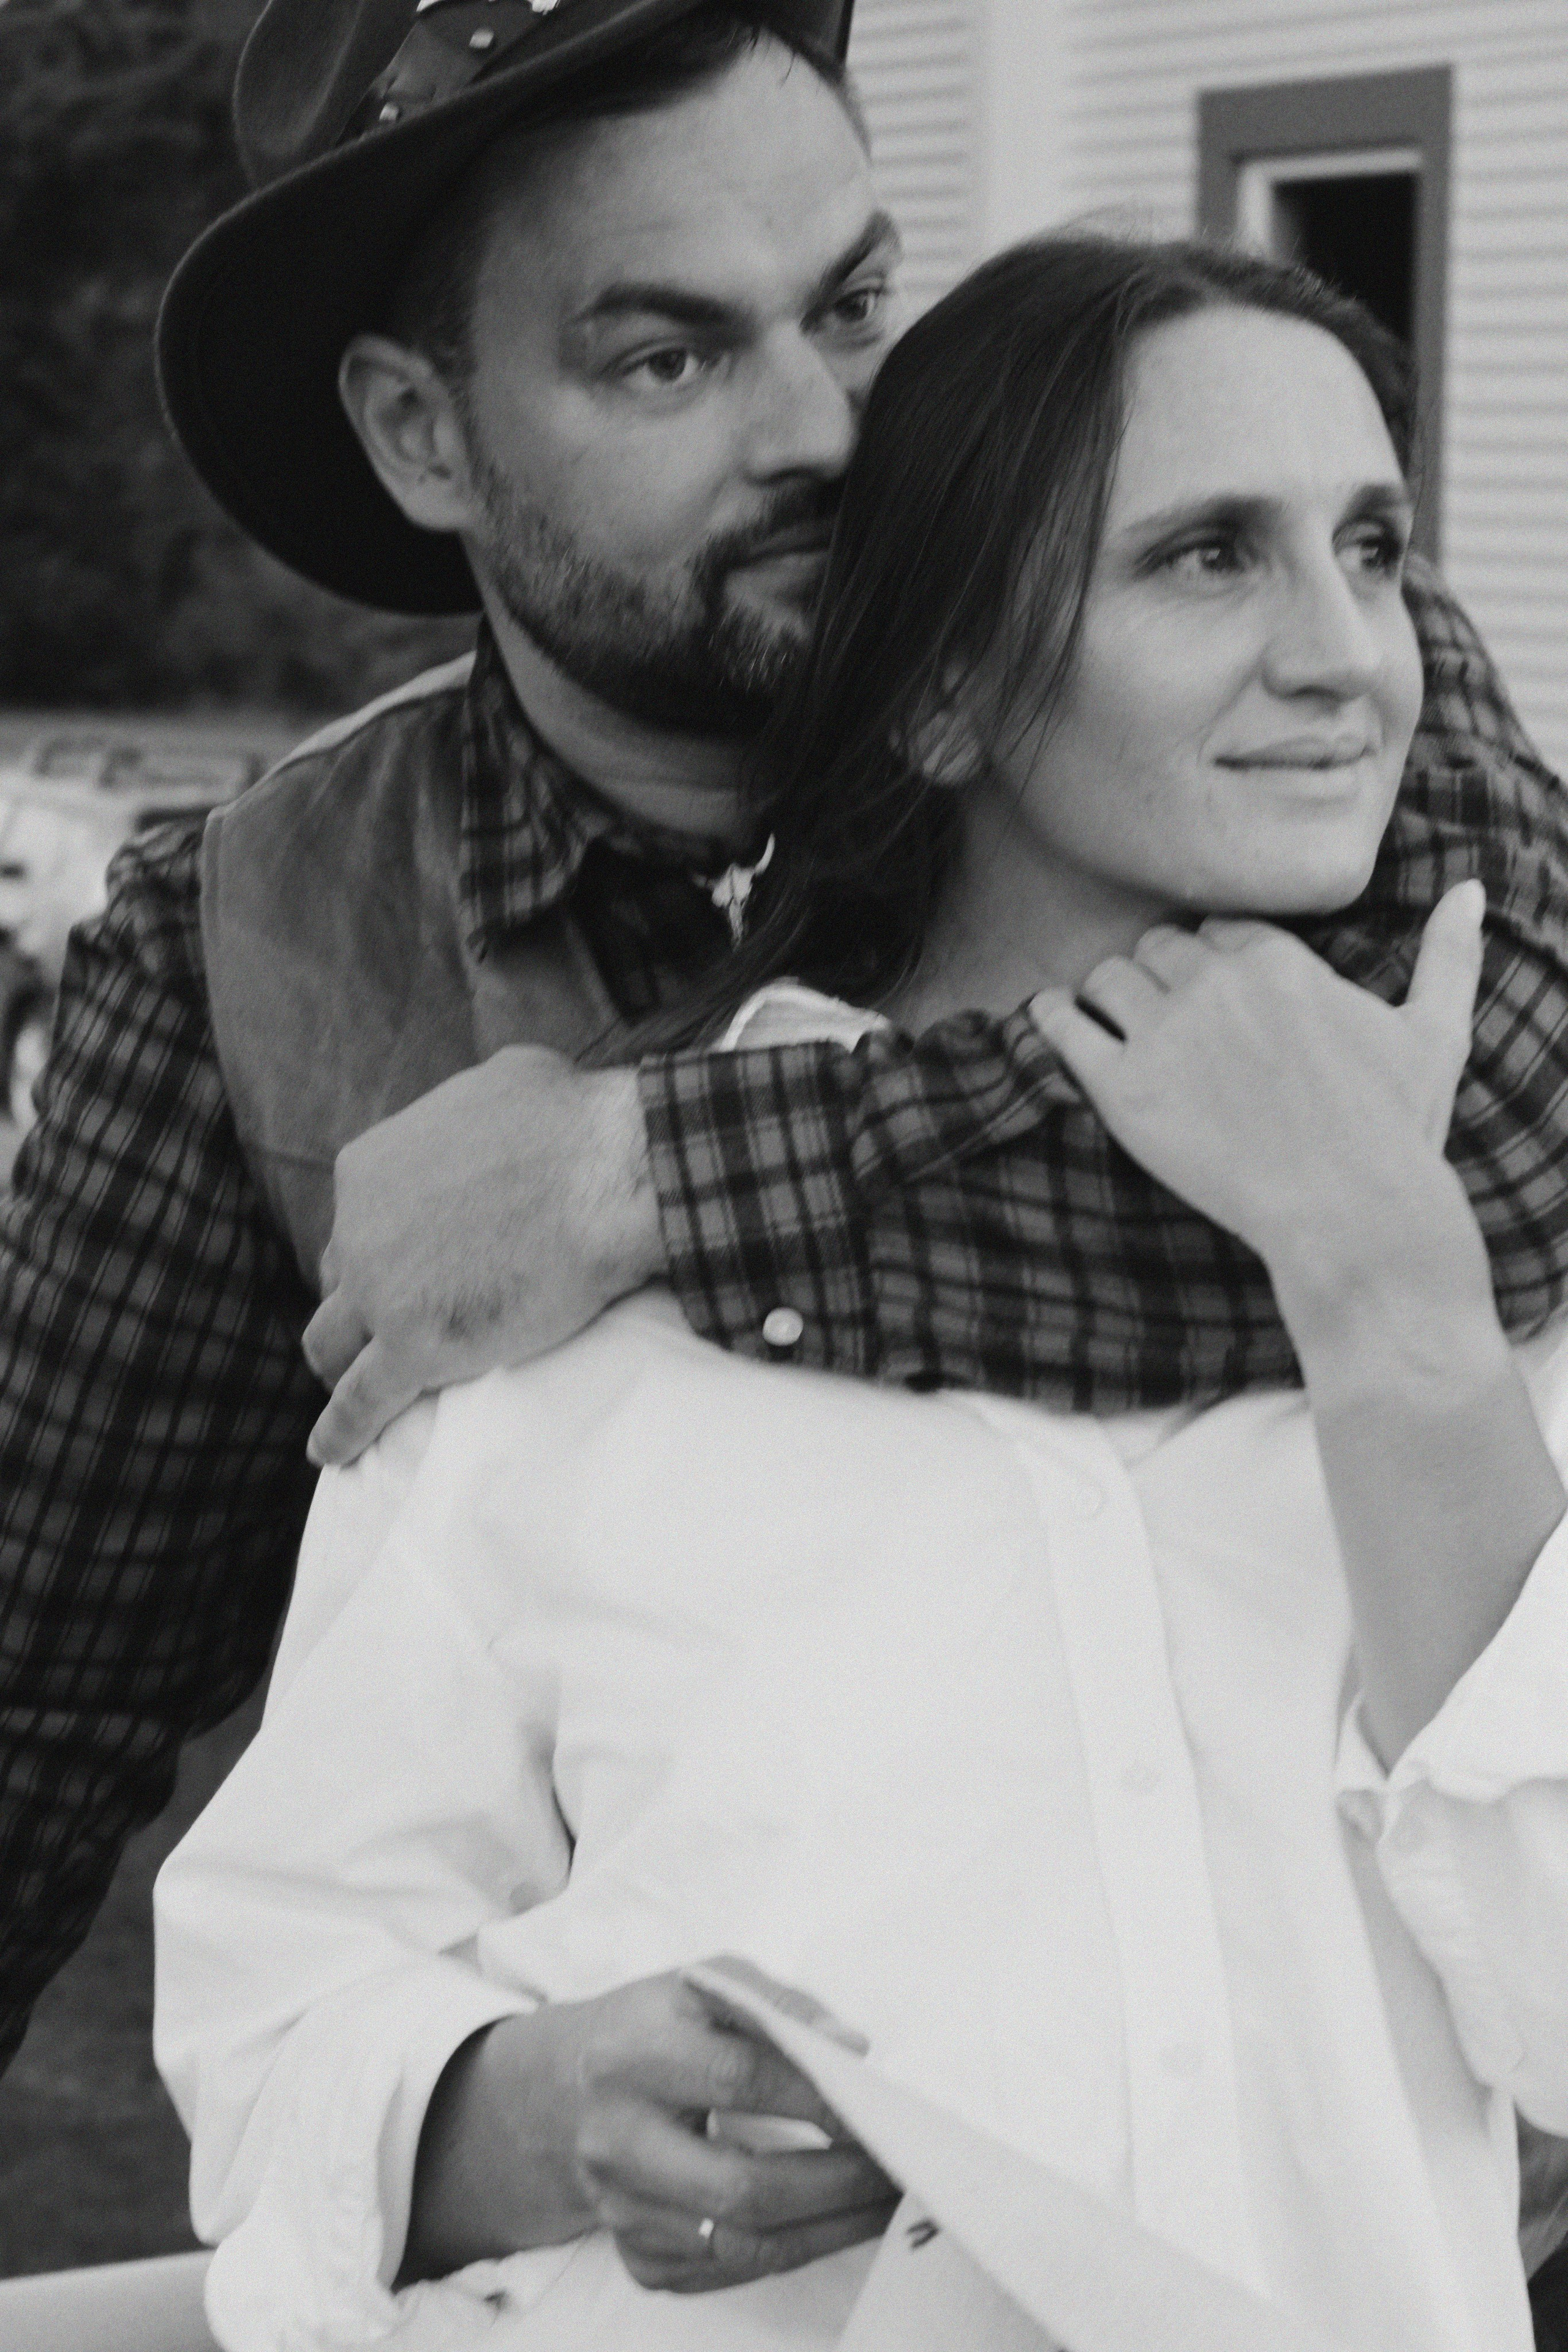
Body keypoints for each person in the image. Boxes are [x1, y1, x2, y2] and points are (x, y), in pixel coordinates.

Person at [156, 234, 1568, 2352]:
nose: (1355, 659)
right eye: (1206, 559)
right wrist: (523, 2108)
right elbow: (265, 2038)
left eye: (1370, 548)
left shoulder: (1486, 1271)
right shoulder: (558, 1301)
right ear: (940, 688)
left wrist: (1396, 1315)